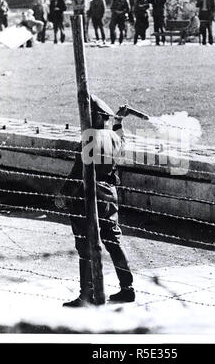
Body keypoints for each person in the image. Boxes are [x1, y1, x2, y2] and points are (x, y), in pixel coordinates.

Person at [56, 95, 135, 306]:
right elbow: (123, 142)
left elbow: (77, 171)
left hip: (87, 194)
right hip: (109, 192)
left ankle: (87, 293)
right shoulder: (113, 137)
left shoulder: (89, 138)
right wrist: (118, 123)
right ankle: (127, 288)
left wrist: (64, 194)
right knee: (113, 240)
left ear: (95, 116)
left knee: (85, 244)